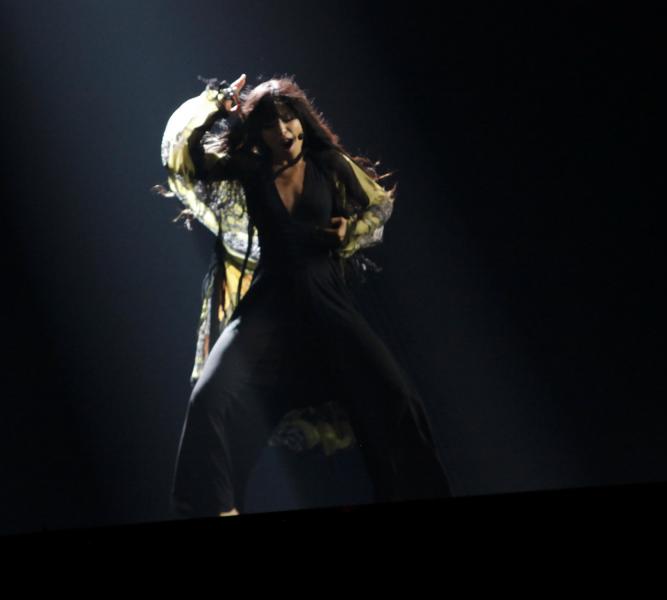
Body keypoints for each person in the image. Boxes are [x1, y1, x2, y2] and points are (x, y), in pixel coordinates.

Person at [157, 73, 453, 518]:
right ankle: (214, 507)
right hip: (269, 300)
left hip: (324, 294)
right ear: (258, 133)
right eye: (270, 125)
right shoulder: (251, 169)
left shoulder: (328, 164)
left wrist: (348, 230)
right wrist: (217, 104)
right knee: (208, 398)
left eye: (289, 119)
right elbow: (186, 160)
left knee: (397, 399)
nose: (284, 131)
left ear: (302, 120)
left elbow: (378, 206)